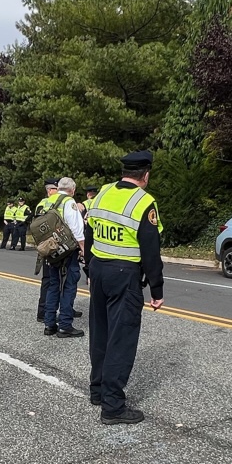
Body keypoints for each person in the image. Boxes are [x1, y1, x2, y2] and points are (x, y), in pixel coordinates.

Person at [85, 151, 164, 423]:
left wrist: (89, 268)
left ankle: (97, 390)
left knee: (100, 332)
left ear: (124, 172)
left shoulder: (103, 192)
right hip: (124, 275)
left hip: (99, 269)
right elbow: (151, 250)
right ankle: (113, 406)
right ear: (146, 175)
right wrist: (157, 290)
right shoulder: (144, 202)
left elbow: (89, 231)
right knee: (121, 339)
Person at [39, 178, 86, 339]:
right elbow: (76, 229)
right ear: (72, 190)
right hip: (66, 251)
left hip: (50, 249)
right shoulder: (69, 202)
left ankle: (49, 324)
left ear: (58, 188)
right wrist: (83, 249)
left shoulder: (47, 201)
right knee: (68, 286)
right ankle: (65, 325)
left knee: (53, 285)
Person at [35, 178, 60, 321]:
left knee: (50, 279)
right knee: (50, 280)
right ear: (50, 190)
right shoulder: (50, 203)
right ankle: (45, 312)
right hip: (51, 244)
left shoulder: (43, 203)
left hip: (47, 244)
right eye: (57, 189)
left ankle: (46, 311)